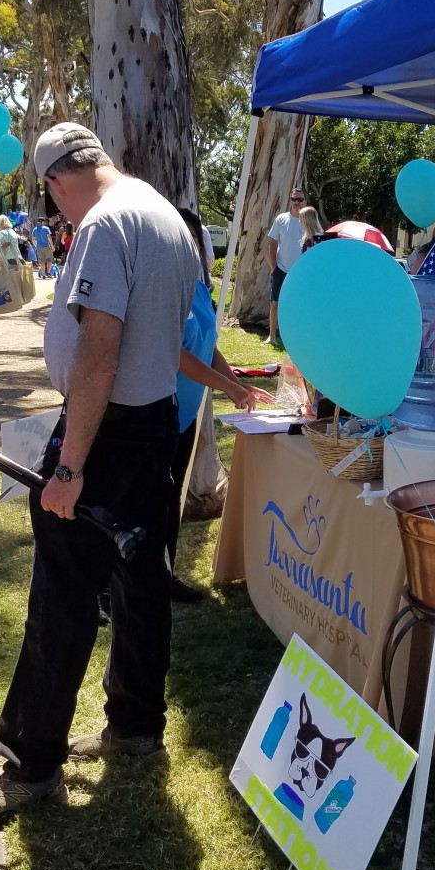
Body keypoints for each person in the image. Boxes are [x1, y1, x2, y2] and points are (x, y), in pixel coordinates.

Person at [0, 122, 198, 823]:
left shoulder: (104, 223)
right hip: (153, 423)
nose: (56, 207)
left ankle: (31, 764)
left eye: (51, 194)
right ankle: (138, 725)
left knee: (62, 593)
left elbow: (98, 355)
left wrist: (70, 464)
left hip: (109, 430)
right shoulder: (162, 213)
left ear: (58, 180)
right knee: (141, 577)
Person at [170, 208, 273, 601]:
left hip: (185, 417)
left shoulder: (198, 286)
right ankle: (117, 588)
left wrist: (237, 385)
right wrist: (228, 390)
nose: (200, 249)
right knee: (150, 504)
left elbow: (208, 346)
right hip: (159, 411)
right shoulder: (167, 286)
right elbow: (178, 354)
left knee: (171, 500)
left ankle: (163, 576)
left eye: (198, 241)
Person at [264, 187, 306, 347]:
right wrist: (274, 267)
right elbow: (273, 243)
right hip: (281, 269)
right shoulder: (281, 219)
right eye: (294, 199)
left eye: (300, 200)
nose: (297, 203)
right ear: (290, 201)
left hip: (301, 272)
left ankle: (296, 337)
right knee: (275, 303)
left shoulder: (309, 220)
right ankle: (272, 336)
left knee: (299, 305)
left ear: (305, 201)